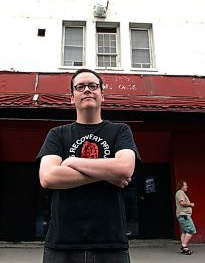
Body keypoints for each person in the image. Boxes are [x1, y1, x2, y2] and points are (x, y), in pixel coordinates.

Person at [37, 68, 140, 263]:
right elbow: (48, 177)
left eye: (93, 86)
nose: (87, 90)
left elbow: (125, 168)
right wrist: (108, 174)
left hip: (110, 243)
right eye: (80, 87)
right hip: (61, 244)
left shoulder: (120, 131)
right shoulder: (57, 134)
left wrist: (72, 162)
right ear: (72, 97)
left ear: (102, 95)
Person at [175, 180, 196, 255]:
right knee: (191, 230)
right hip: (184, 215)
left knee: (185, 231)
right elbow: (182, 203)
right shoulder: (180, 192)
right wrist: (191, 204)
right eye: (185, 185)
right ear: (181, 186)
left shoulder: (180, 193)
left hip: (182, 215)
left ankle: (184, 247)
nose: (187, 186)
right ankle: (184, 246)